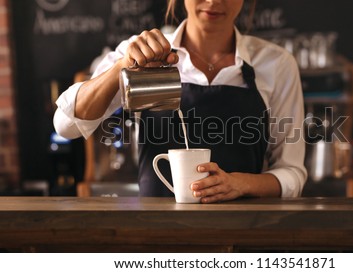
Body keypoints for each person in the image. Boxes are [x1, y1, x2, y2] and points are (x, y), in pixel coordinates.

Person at [53, 0, 307, 203]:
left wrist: (240, 183)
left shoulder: (276, 64)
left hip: (243, 234)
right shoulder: (141, 53)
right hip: (158, 236)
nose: (214, 1)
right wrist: (123, 67)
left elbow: (292, 174)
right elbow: (66, 125)